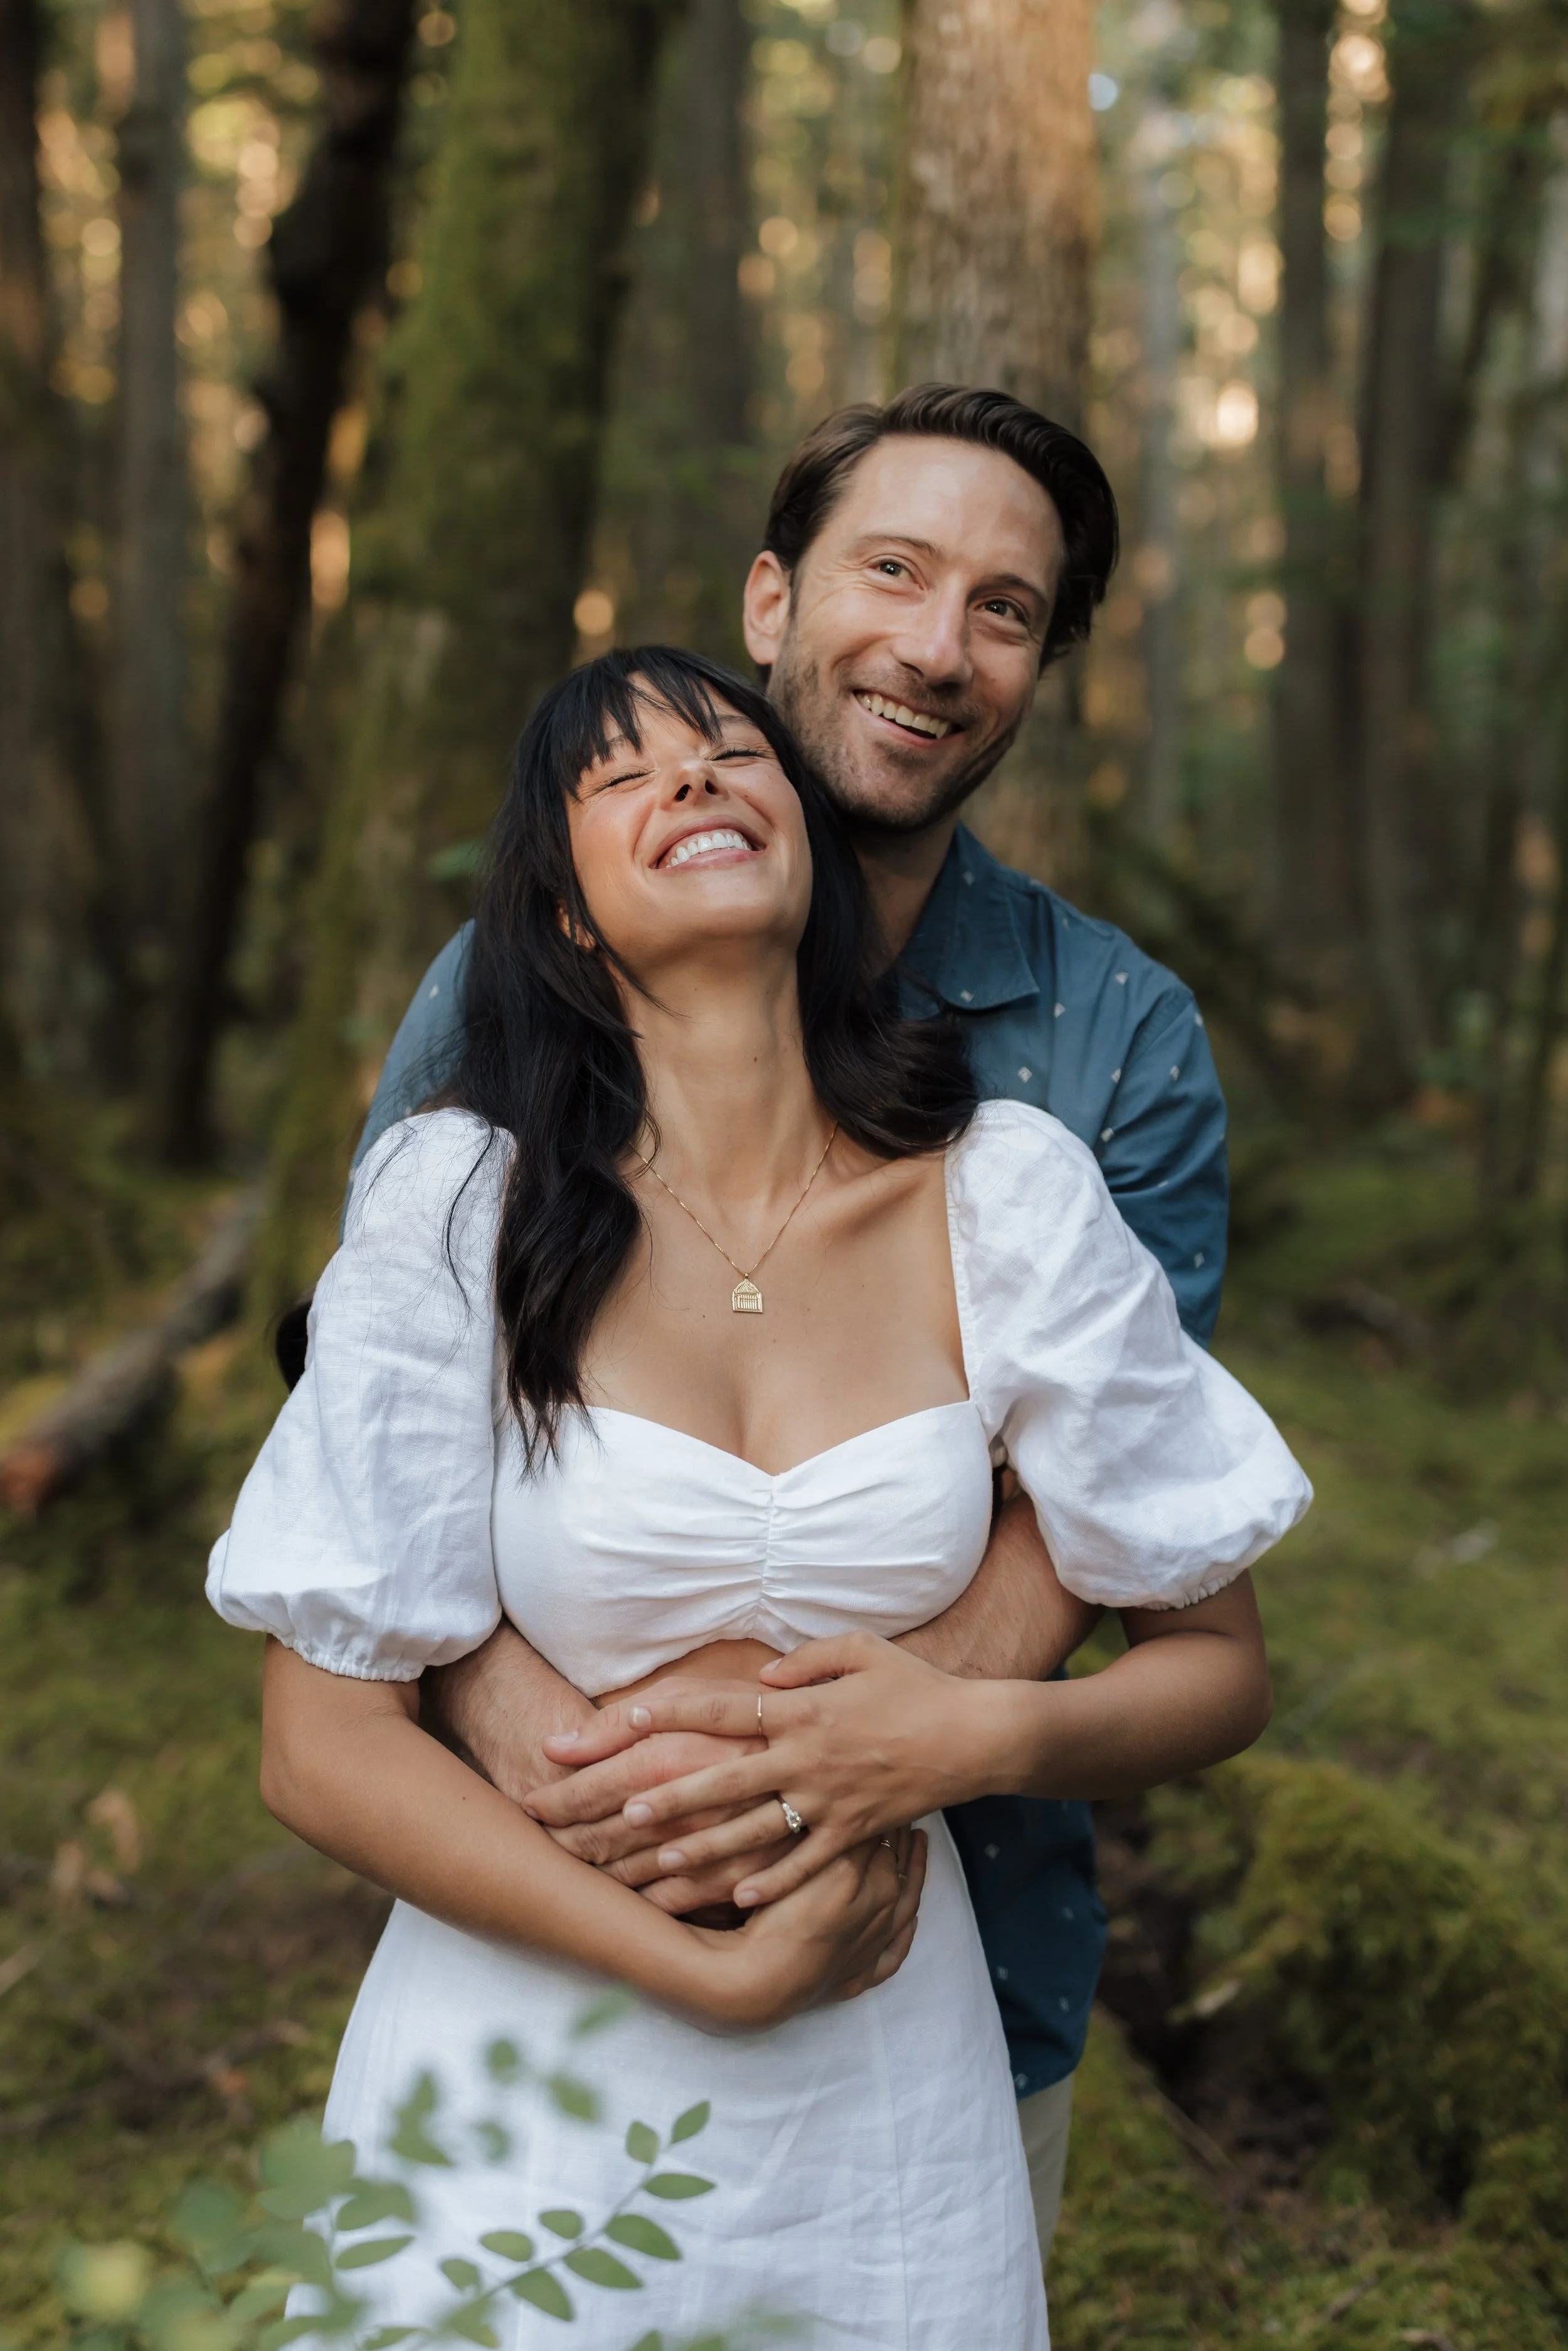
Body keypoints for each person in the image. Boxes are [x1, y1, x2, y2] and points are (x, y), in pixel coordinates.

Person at [211, 647, 1310, 2345]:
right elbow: (318, 1741)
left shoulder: (1001, 1197)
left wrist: (965, 1738)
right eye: (623, 774)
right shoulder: (458, 1202)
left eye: (733, 753)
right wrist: (695, 1966)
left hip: (881, 2072)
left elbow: (1216, 1664)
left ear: (807, 855)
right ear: (564, 912)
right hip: (522, 2043)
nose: (699, 780)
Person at [347, 384, 1228, 2251]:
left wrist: (852, 1767)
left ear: (1039, 665)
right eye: (890, 571)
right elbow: (362, 1429)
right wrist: (545, 1747)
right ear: (769, 601)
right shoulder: (512, 984)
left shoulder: (1109, 1045)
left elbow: (1122, 1511)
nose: (933, 644)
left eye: (1003, 607)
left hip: (946, 1934)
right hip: (552, 1899)